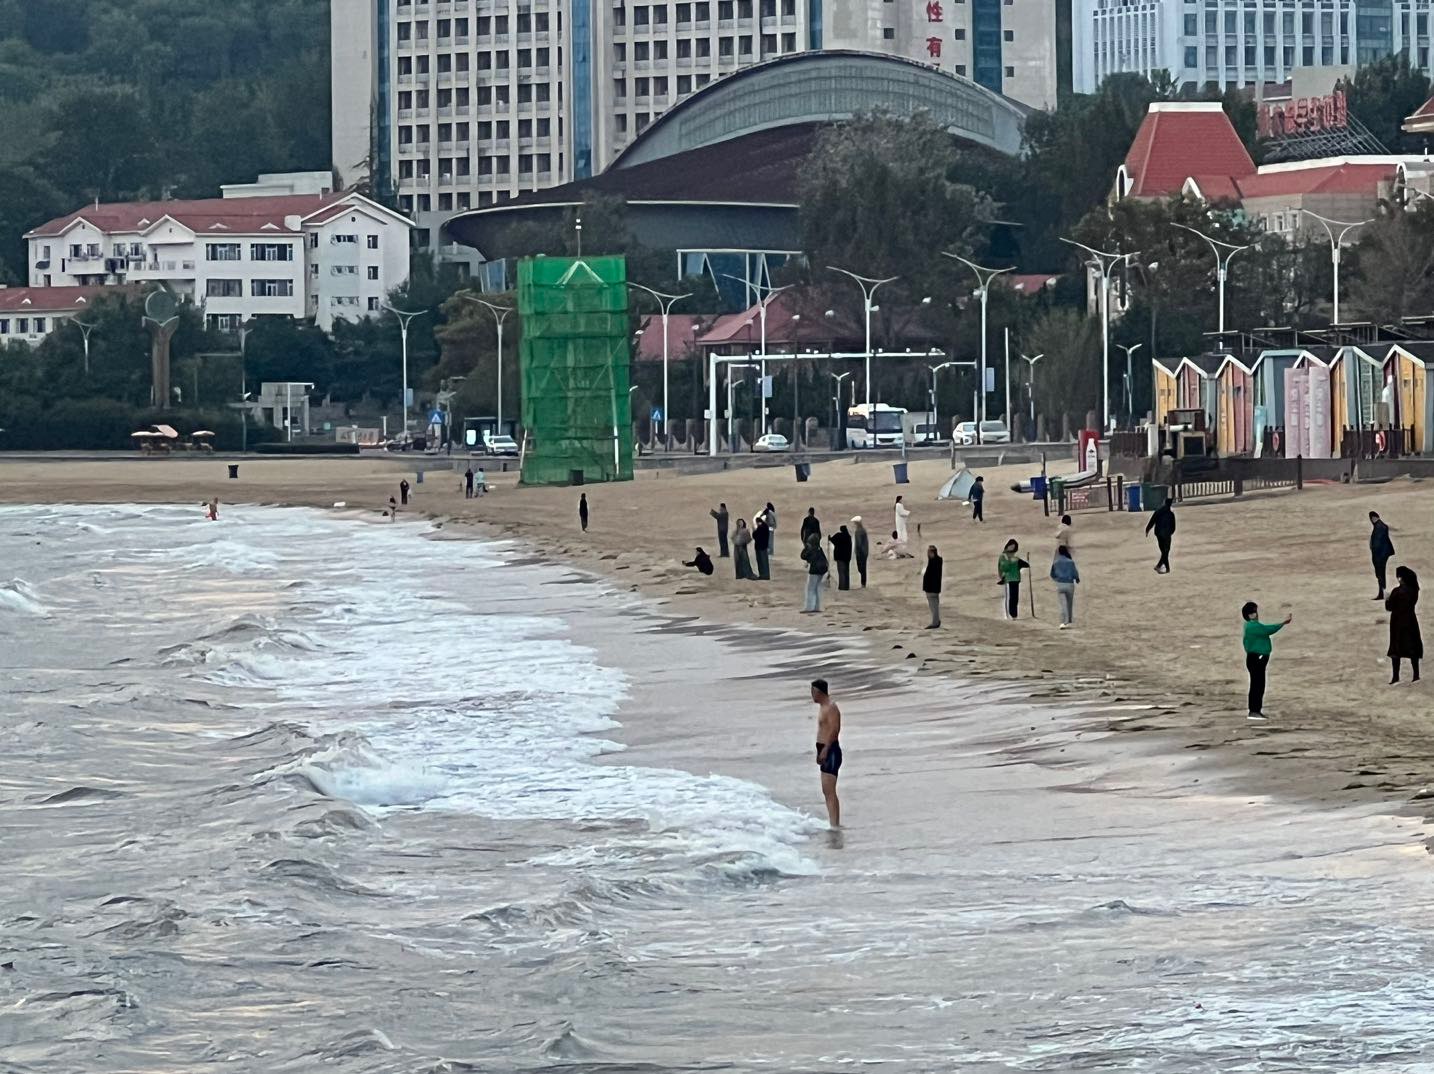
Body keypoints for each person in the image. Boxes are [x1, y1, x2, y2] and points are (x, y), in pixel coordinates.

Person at [1241, 601, 1292, 720]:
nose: (1257, 614)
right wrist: (1283, 623)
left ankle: (1255, 711)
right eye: (1255, 612)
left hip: (1255, 658)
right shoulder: (1253, 626)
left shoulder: (1251, 625)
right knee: (1258, 685)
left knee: (1257, 684)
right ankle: (1254, 711)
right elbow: (1268, 629)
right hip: (1256, 658)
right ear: (1251, 615)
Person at [810, 678, 843, 827]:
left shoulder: (831, 707)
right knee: (826, 790)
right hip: (824, 750)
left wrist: (825, 749)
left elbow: (835, 730)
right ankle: (833, 823)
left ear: (819, 692)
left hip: (831, 751)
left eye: (813, 692)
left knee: (830, 790)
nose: (812, 695)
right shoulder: (822, 707)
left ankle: (835, 825)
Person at [1386, 565, 1422, 684]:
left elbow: (1389, 607)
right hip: (1411, 620)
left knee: (1396, 649)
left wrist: (1387, 598)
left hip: (1397, 623)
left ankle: (1395, 677)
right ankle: (1416, 675)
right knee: (1412, 648)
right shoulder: (1414, 590)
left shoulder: (1397, 592)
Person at [997, 539, 1029, 620]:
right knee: (1011, 597)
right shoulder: (1004, 556)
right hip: (1008, 578)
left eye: (1013, 547)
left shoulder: (1015, 557)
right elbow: (1003, 567)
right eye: (1011, 546)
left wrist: (1024, 563)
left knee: (1015, 597)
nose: (1011, 548)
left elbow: (1023, 564)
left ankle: (1014, 615)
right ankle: (1010, 614)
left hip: (1016, 578)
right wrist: (1010, 561)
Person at [1050, 544, 1080, 628]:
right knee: (1069, 603)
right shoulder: (1070, 562)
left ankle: (1063, 621)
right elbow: (1074, 573)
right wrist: (1077, 579)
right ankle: (1069, 620)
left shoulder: (1056, 562)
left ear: (1059, 552)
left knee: (1062, 604)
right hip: (1069, 584)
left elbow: (1052, 574)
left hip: (1060, 584)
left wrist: (1056, 579)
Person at [1146, 497, 1176, 573]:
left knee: (1164, 551)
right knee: (1166, 551)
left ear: (1164, 503)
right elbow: (1173, 526)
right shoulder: (1171, 514)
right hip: (1167, 534)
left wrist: (1147, 529)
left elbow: (1152, 520)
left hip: (1159, 533)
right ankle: (1163, 567)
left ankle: (1163, 567)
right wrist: (1170, 532)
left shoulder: (1158, 511)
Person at [1370, 511, 1396, 600]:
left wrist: (1374, 551)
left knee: (1380, 574)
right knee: (1380, 574)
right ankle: (1381, 592)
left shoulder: (1379, 527)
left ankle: (1382, 592)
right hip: (1381, 554)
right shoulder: (1380, 526)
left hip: (1380, 555)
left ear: (1373, 518)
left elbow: (1377, 543)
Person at [800, 532, 828, 612]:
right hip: (821, 571)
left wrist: (806, 547)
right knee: (817, 589)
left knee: (810, 589)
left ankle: (809, 607)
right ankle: (817, 607)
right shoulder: (819, 549)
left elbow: (803, 556)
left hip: (814, 571)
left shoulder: (812, 550)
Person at [923, 544, 943, 628]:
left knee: (933, 606)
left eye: (928, 552)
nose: (927, 554)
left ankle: (935, 622)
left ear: (932, 553)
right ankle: (936, 620)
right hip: (935, 588)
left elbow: (931, 575)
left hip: (931, 588)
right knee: (935, 606)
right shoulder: (938, 560)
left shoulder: (933, 562)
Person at [830, 524, 853, 591]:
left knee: (841, 572)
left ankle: (842, 587)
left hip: (840, 557)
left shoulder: (838, 535)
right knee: (846, 572)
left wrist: (829, 538)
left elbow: (833, 540)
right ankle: (846, 586)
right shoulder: (848, 537)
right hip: (847, 557)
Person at [852, 517, 870, 588]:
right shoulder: (863, 530)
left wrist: (857, 551)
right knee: (863, 568)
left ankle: (863, 583)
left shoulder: (858, 531)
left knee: (861, 568)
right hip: (864, 551)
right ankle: (863, 583)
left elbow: (858, 543)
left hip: (860, 552)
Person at [753, 512, 772, 580]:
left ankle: (763, 575)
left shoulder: (761, 528)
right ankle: (764, 575)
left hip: (760, 547)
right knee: (763, 561)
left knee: (762, 561)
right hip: (763, 546)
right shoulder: (764, 527)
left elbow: (755, 535)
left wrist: (754, 531)